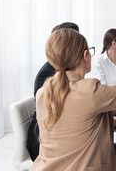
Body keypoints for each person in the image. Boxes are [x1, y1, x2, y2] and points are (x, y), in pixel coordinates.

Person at [31, 28, 116, 171]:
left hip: (44, 167)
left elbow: (77, 125)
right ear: (85, 55)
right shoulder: (90, 90)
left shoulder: (42, 92)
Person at [27, 22, 80, 161]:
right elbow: (68, 109)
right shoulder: (46, 76)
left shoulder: (68, 68)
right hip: (44, 142)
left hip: (61, 132)